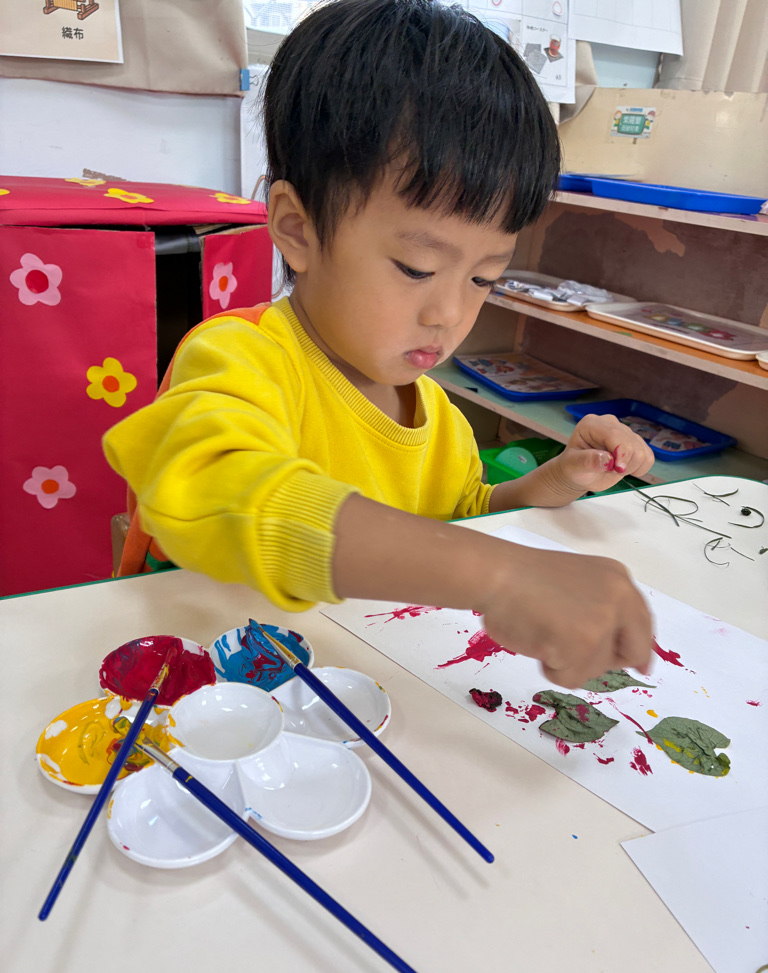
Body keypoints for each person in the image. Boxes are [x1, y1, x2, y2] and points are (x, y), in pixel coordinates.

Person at [104, 0, 654, 689]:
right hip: (211, 688)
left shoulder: (438, 418)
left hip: (361, 683)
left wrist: (554, 483)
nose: (449, 313)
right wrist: (498, 574)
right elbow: (225, 492)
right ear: (298, 230)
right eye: (417, 269)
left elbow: (460, 519)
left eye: (484, 278)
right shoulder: (240, 361)